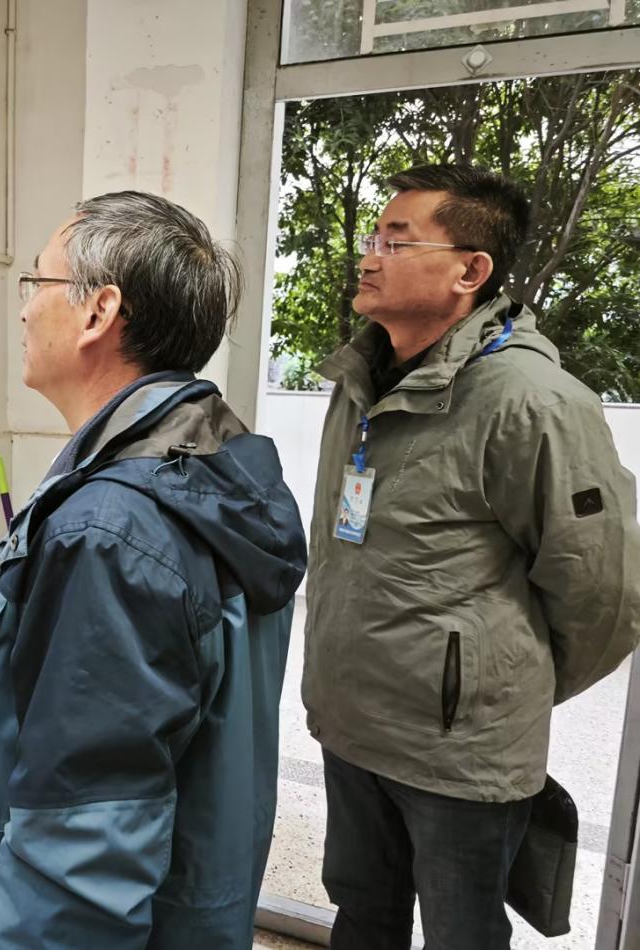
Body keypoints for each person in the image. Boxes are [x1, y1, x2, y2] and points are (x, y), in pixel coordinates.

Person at [0, 191, 307, 949]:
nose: (25, 309)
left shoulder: (110, 533)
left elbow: (79, 864)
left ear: (98, 312)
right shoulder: (213, 464)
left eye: (37, 282)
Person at [303, 164, 640, 949]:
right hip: (352, 723)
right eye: (372, 238)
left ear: (469, 270)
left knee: (462, 933)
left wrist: (491, 690)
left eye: (395, 241)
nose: (369, 255)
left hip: (460, 754)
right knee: (361, 913)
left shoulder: (532, 401)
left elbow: (604, 594)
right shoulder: (358, 377)